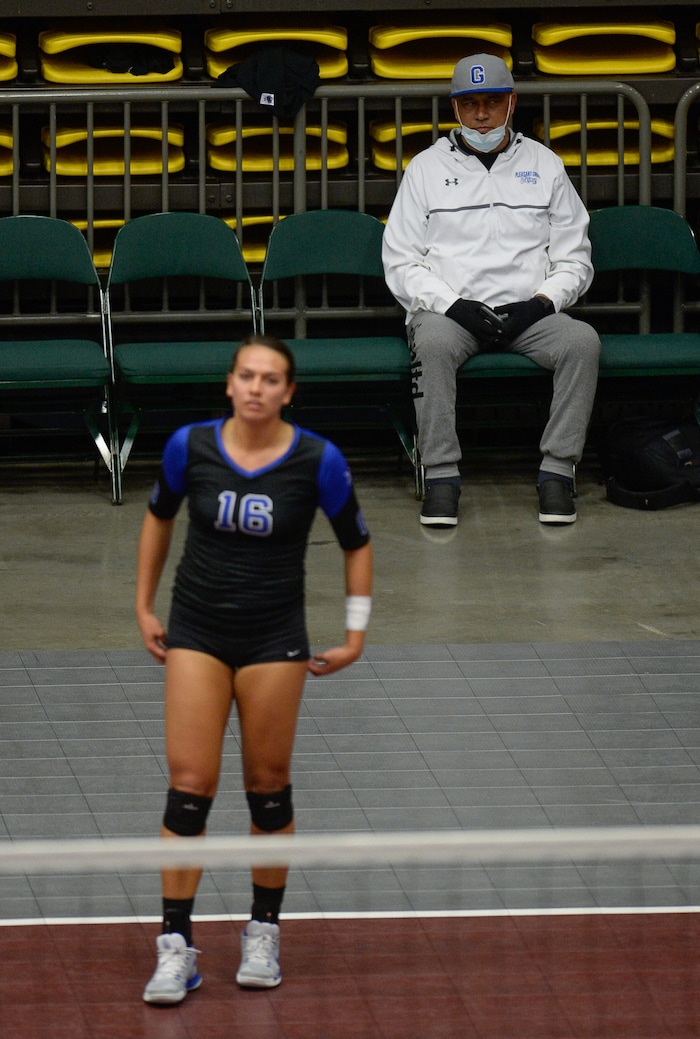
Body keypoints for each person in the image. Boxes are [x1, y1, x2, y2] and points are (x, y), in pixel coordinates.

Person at [136, 333, 372, 1005]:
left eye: (271, 379)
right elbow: (158, 518)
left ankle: (263, 928)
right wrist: (143, 604)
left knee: (268, 788)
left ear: (288, 392)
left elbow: (357, 542)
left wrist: (355, 632)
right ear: (230, 384)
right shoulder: (192, 447)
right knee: (189, 787)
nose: (257, 387)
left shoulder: (318, 459)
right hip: (197, 630)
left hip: (274, 637)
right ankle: (175, 945)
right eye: (247, 375)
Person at [382, 52, 601, 527]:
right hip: (451, 314)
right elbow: (400, 260)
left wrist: (541, 303)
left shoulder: (545, 164)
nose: (482, 114)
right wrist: (452, 305)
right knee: (434, 343)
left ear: (512, 102)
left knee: (582, 342)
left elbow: (574, 258)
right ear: (455, 108)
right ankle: (440, 476)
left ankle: (557, 473)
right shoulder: (423, 168)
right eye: (470, 103)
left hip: (528, 314)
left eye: (493, 102)